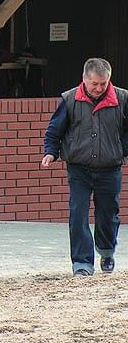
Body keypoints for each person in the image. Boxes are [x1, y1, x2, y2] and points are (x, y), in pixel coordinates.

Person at [42, 57, 128, 276]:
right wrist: (50, 152)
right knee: (78, 213)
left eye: (103, 84)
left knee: (108, 215)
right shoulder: (70, 99)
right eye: (94, 84)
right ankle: (82, 264)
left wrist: (122, 150)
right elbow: (55, 130)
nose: (99, 88)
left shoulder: (122, 98)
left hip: (110, 168)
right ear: (84, 80)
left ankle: (107, 251)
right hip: (79, 169)